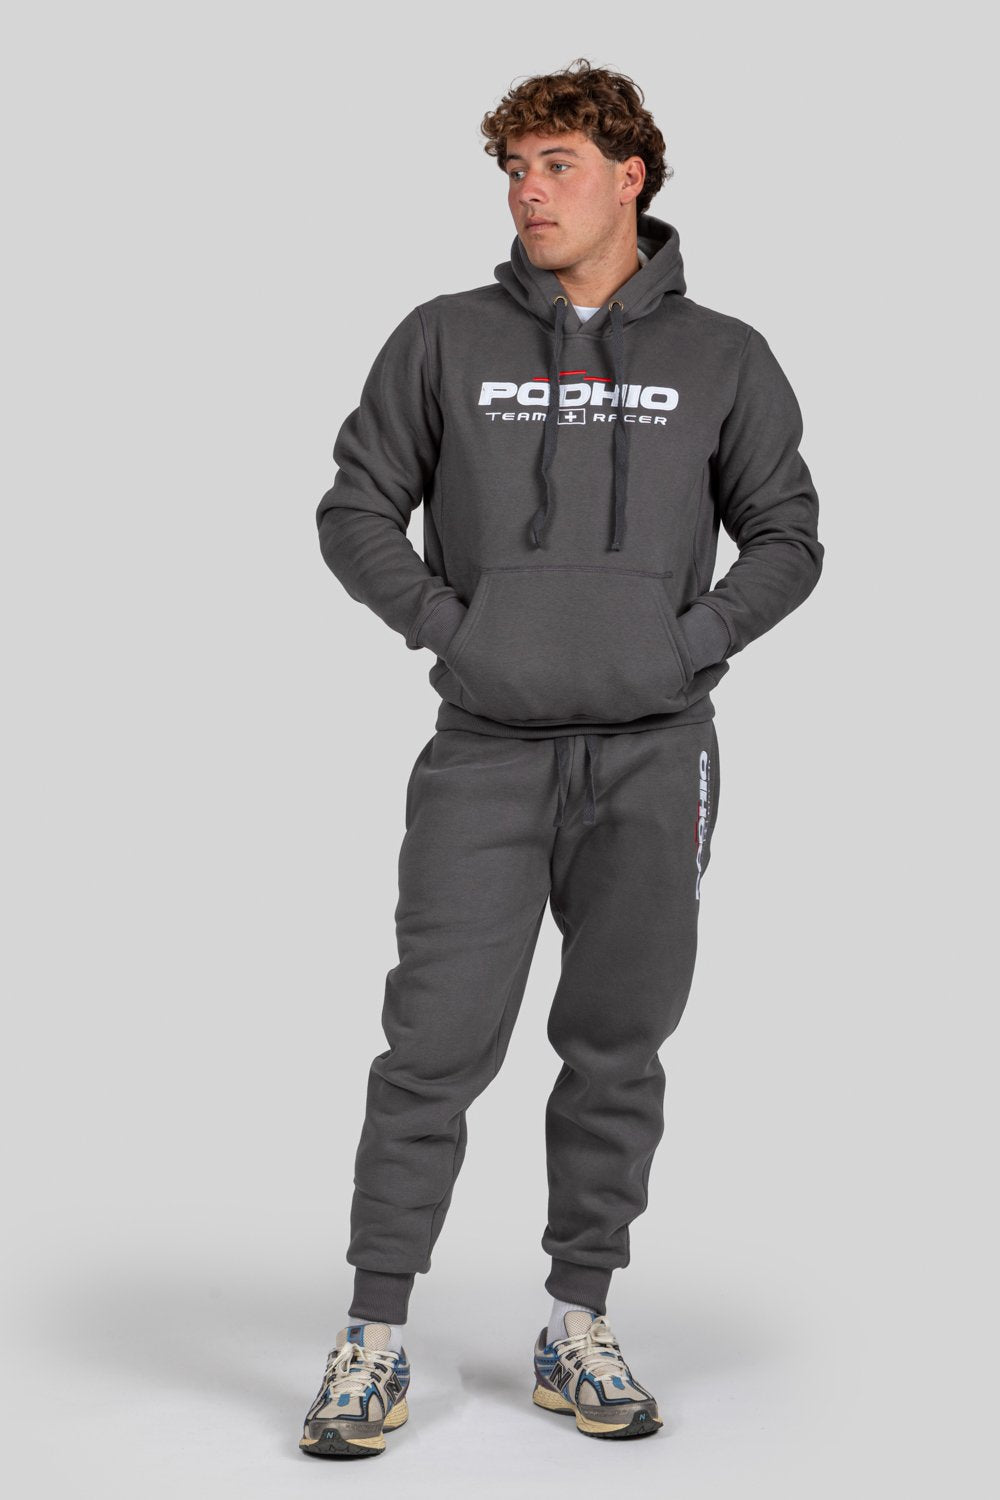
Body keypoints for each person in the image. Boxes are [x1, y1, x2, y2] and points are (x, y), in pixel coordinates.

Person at [299, 57, 824, 1459]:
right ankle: (372, 1336)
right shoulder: (444, 338)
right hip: (485, 752)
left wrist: (689, 643)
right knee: (432, 1046)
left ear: (629, 177)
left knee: (617, 1046)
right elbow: (355, 509)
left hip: (657, 754)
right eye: (515, 171)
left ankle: (576, 1323)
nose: (529, 194)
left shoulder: (724, 356)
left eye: (557, 166)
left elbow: (788, 536)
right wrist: (452, 633)